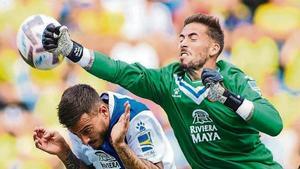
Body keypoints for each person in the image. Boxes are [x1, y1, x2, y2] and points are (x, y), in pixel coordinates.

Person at [42, 13, 283, 168]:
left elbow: (274, 125)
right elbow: (119, 71)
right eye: (181, 37)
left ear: (214, 48)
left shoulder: (233, 79)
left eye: (193, 37)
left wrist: (227, 98)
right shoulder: (168, 82)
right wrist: (73, 50)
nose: (183, 42)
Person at [33, 84, 176, 169]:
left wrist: (120, 146)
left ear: (103, 111)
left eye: (86, 131)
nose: (84, 141)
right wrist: (64, 152)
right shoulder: (79, 127)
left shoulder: (137, 119)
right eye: (77, 135)